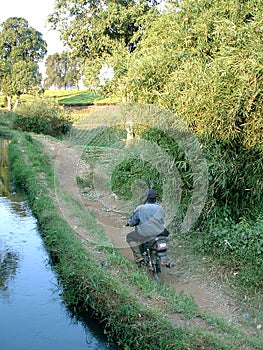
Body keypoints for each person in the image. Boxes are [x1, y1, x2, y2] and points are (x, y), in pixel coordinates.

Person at [125, 189, 169, 263]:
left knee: (129, 237)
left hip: (145, 235)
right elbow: (163, 221)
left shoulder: (140, 208)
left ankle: (139, 258)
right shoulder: (160, 208)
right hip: (159, 234)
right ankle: (162, 255)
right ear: (155, 198)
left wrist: (129, 223)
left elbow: (133, 222)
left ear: (146, 198)